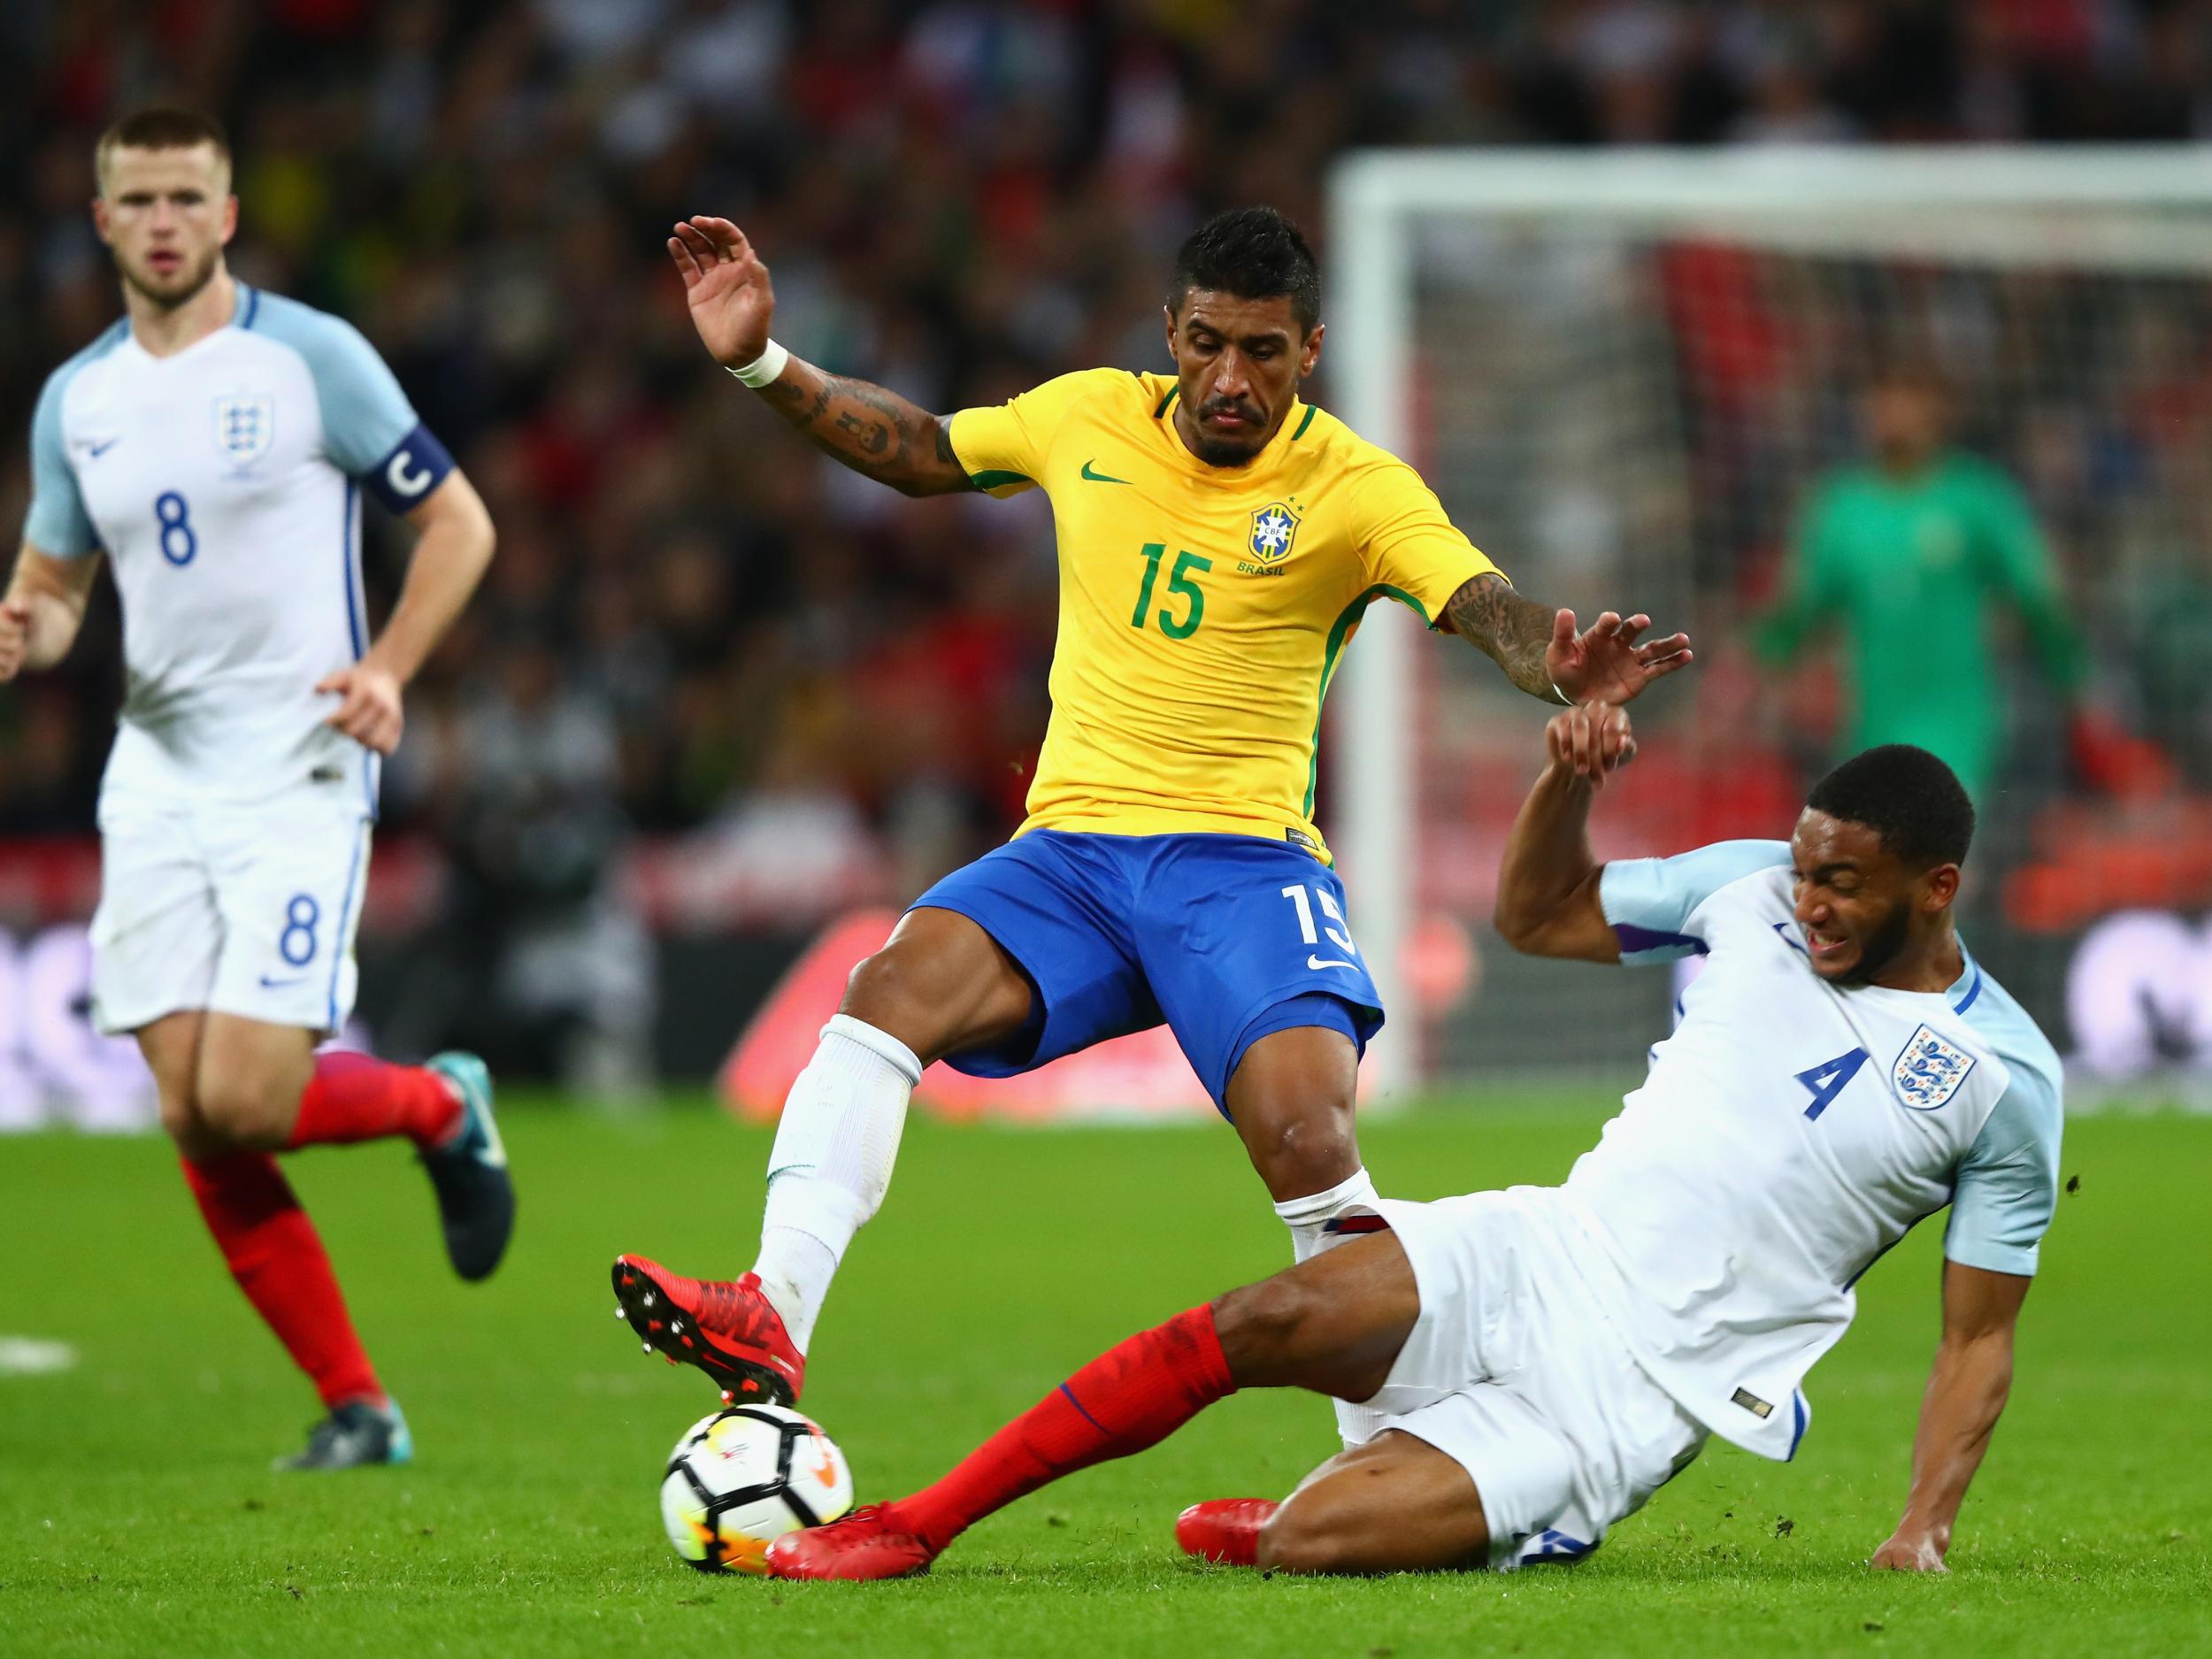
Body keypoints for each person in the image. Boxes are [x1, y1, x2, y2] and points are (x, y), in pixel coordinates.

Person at [612, 205, 1693, 1450]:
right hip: (1069, 856)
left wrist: (1562, 667)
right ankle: (772, 1311)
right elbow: (919, 449)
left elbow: (1490, 609)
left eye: (1268, 353)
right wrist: (760, 359)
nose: (1235, 379)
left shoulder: (1355, 486)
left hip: (1241, 865)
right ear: (1169, 332)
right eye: (1211, 344)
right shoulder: (1084, 415)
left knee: (1307, 1137)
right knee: (884, 992)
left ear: (1313, 350)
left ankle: (1411, 1444)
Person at [761, 708, 2061, 1580]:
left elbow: (1977, 1335)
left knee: (1303, 1545)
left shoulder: (2003, 1081)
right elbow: (1539, 910)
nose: (1810, 900)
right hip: (1540, 1243)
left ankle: (1396, 1511)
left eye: (1844, 883)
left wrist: (1921, 1530)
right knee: (1257, 1315)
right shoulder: (1746, 890)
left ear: (1936, 886)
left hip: (1636, 1395)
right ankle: (916, 1526)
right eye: (1805, 868)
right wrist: (1570, 776)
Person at [0, 107, 509, 1470]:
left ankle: (441, 1106)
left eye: (187, 196)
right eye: (138, 198)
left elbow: (460, 522)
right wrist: (26, 627)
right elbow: (53, 588)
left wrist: (391, 664)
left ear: (227, 214)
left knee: (251, 1093)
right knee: (190, 1110)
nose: (163, 219)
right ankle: (360, 1406)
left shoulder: (310, 360)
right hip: (156, 771)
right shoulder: (78, 402)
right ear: (102, 220)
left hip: (296, 762)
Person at [1755, 366, 2087, 806]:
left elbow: (2037, 591)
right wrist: (1754, 670)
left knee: (1940, 850)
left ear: (1938, 410)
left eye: (1906, 398)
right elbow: (1796, 612)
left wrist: (2072, 674)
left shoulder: (1977, 497)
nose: (1890, 413)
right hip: (1868, 721)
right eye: (1879, 398)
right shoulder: (1839, 507)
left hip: (1958, 721)